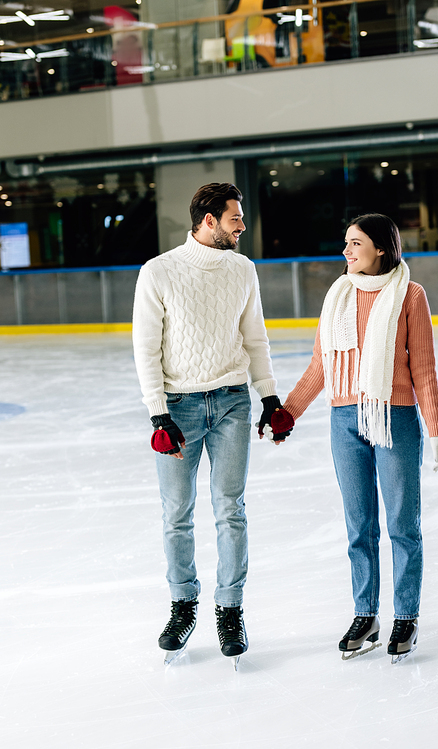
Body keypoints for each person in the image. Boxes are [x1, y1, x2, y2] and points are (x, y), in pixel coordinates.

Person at [132, 182, 293, 667]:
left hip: (231, 403)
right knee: (176, 512)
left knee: (231, 508)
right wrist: (158, 411)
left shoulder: (243, 270)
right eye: (234, 219)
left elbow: (255, 337)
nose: (242, 226)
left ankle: (230, 608)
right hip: (178, 407)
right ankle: (183, 605)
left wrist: (269, 397)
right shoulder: (158, 272)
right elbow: (146, 347)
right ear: (208, 220)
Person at [282, 213, 438, 662]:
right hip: (344, 421)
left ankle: (406, 616)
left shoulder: (410, 296)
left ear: (380, 248)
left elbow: (423, 368)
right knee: (359, 528)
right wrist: (288, 412)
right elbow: (321, 365)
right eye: (346, 243)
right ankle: (366, 614)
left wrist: (435, 428)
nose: (346, 252)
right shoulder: (338, 296)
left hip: (393, 416)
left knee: (401, 526)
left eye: (356, 244)